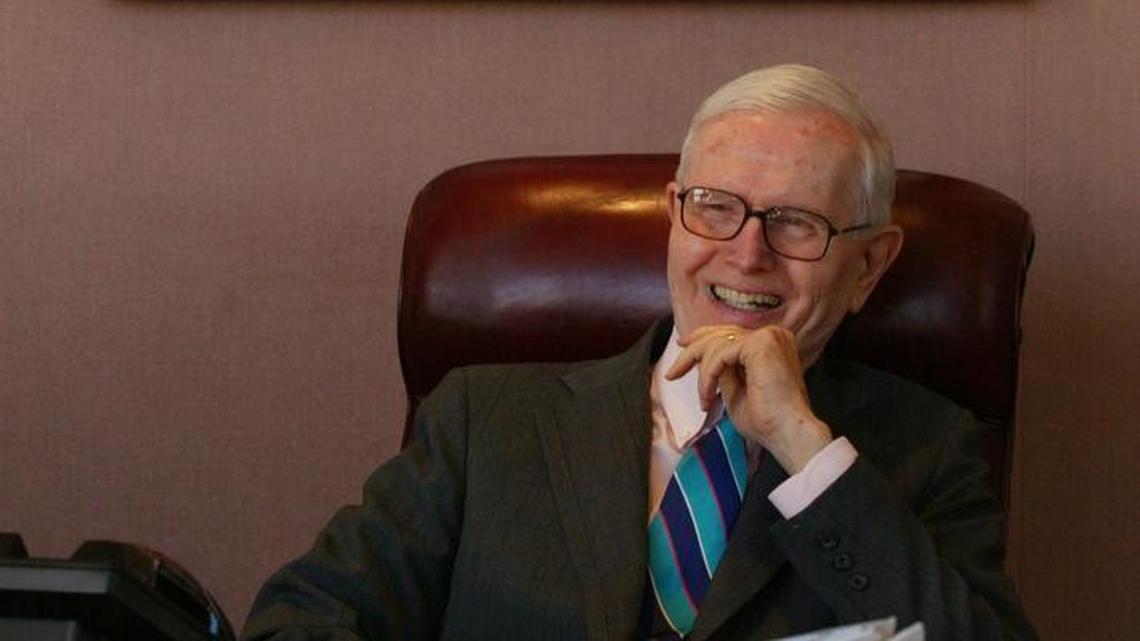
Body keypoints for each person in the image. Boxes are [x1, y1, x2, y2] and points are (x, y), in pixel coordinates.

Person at [242, 64, 1037, 640]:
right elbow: (297, 622)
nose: (746, 255)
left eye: (796, 222)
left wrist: (804, 448)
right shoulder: (485, 420)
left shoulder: (928, 448)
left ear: (868, 266)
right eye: (715, 207)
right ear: (673, 217)